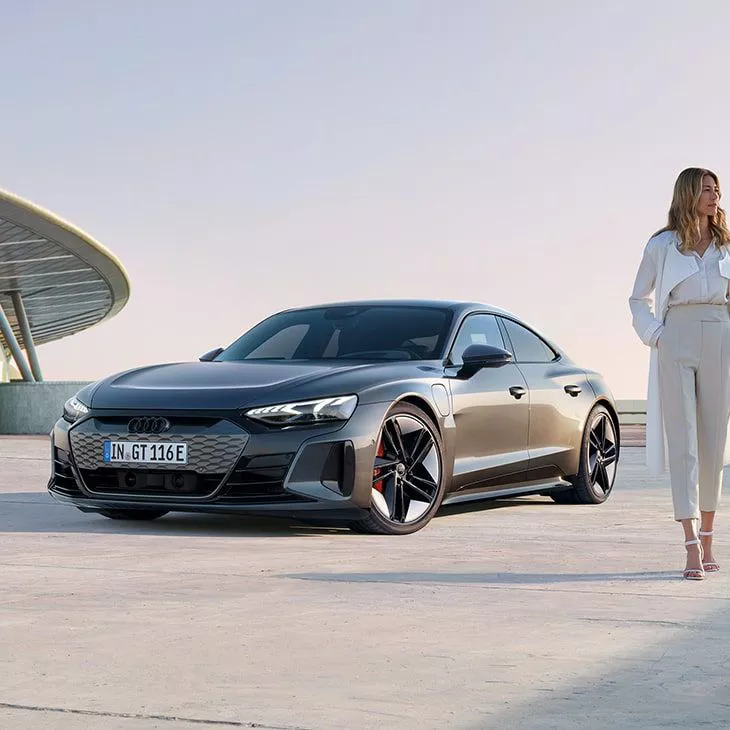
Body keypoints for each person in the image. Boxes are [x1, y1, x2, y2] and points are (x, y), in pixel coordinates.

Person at [630, 167, 730, 580]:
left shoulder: (727, 244)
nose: (714, 195)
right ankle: (689, 541)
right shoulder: (662, 245)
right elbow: (638, 298)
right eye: (706, 189)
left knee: (714, 442)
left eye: (717, 188)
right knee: (683, 440)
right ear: (688, 194)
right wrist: (657, 336)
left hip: (721, 335)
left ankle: (709, 536)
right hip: (677, 337)